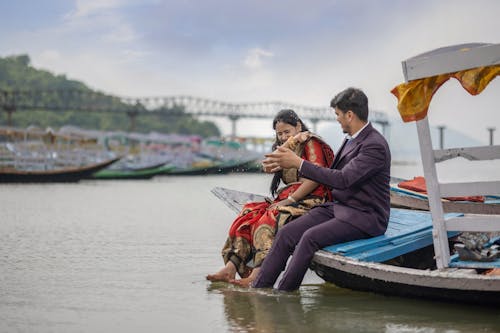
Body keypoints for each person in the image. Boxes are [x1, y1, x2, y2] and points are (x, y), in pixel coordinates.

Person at [253, 87, 391, 291]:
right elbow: (329, 173)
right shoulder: (351, 139)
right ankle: (259, 288)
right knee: (287, 232)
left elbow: (343, 179)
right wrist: (285, 163)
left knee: (309, 238)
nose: (337, 119)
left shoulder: (374, 145)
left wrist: (299, 164)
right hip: (340, 207)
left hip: (365, 216)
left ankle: (283, 293)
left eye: (338, 114)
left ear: (350, 115)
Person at [206, 109, 335, 287]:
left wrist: (289, 201)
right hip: (290, 196)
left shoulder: (310, 142)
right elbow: (271, 167)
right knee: (248, 213)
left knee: (269, 219)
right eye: (279, 133)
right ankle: (231, 266)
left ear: (298, 126)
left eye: (287, 132)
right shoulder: (285, 147)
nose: (282, 137)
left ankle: (257, 275)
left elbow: (314, 178)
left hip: (314, 198)